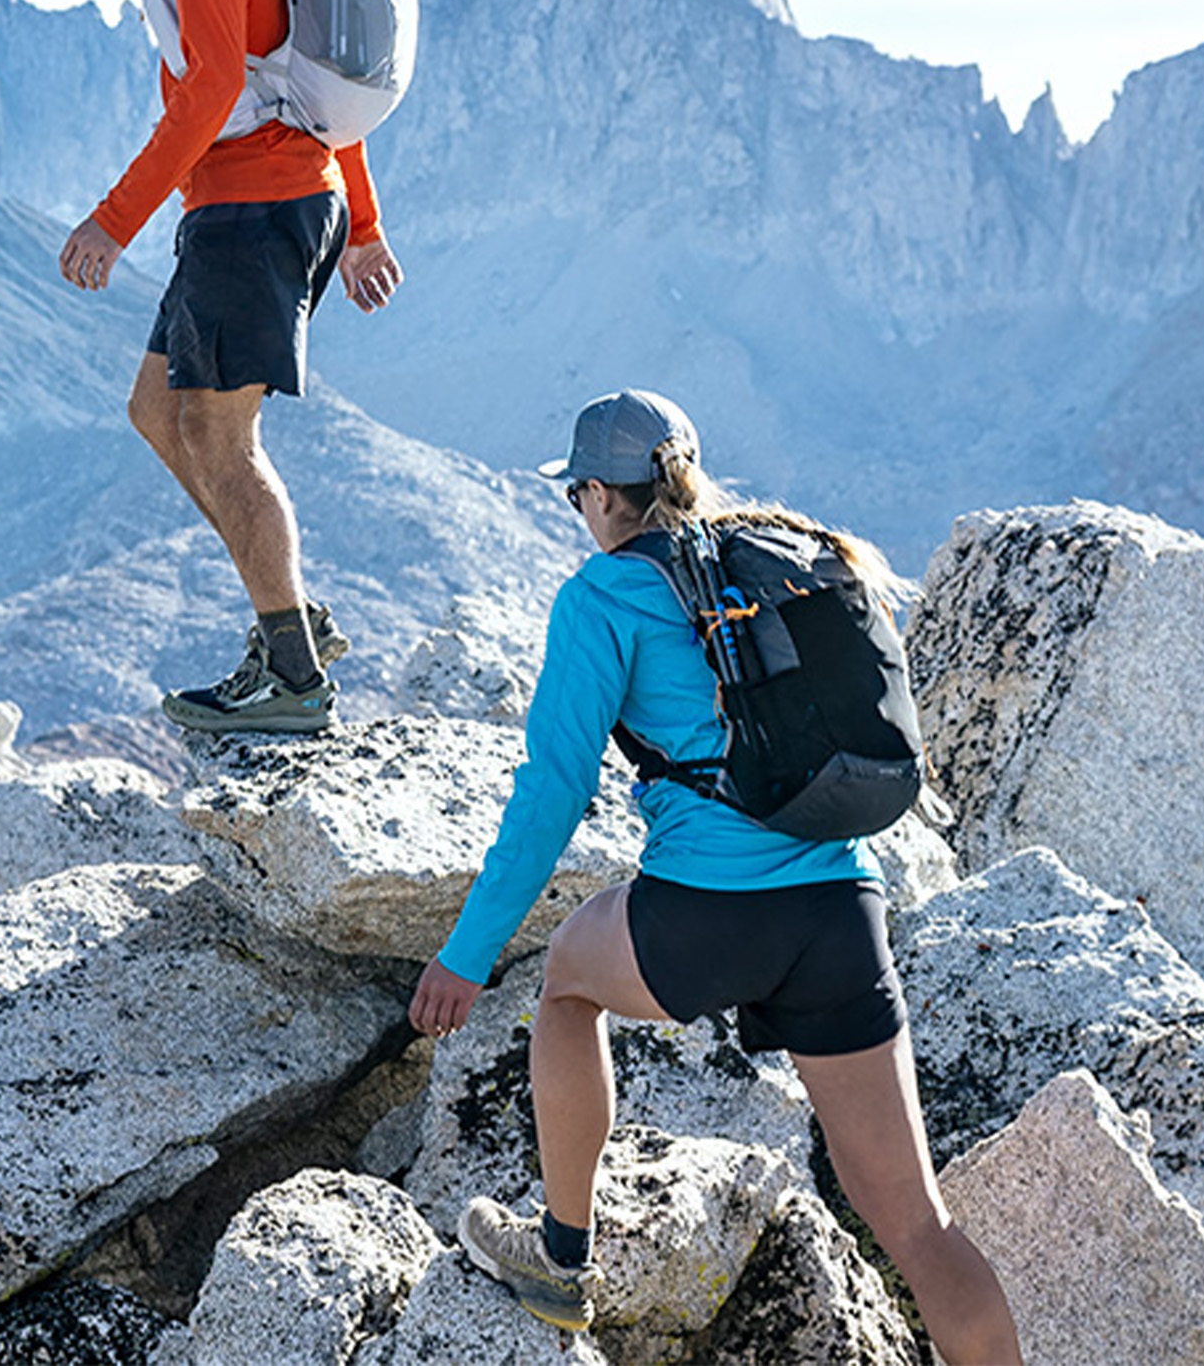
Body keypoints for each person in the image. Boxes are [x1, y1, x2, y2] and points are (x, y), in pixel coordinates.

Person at [410, 390, 1021, 1361]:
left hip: (706, 915)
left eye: (577, 492)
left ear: (602, 495)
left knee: (566, 981)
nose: (579, 510)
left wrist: (465, 955)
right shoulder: (787, 555)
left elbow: (549, 798)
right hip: (838, 913)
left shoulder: (603, 594)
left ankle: (560, 1259)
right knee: (918, 1228)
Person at [33, 0, 402, 733]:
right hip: (280, 193)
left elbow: (217, 87)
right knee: (159, 410)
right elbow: (310, 71)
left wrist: (111, 224)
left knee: (217, 435)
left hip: (251, 203)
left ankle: (291, 668)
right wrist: (358, 222)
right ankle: (289, 624)